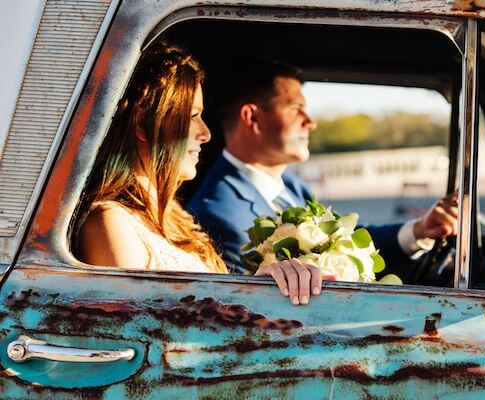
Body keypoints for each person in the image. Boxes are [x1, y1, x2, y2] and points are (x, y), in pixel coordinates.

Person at [77, 43, 323, 306]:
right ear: (142, 124)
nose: (205, 133)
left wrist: (257, 287)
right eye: (193, 115)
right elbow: (140, 331)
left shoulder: (177, 218)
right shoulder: (110, 222)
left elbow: (214, 309)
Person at [187, 59, 458, 274]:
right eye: (296, 109)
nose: (311, 122)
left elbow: (341, 240)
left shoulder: (291, 185)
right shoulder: (218, 214)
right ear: (253, 118)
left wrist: (420, 230)